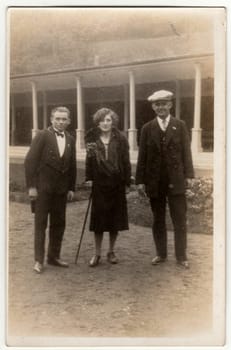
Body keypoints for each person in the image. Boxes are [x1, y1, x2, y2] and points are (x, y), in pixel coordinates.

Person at [136, 90, 194, 268]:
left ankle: (181, 256)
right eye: (157, 104)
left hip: (176, 180)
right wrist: (140, 180)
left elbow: (186, 152)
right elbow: (142, 156)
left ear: (170, 104)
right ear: (153, 107)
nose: (161, 107)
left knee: (179, 219)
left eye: (164, 103)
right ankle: (161, 254)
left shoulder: (180, 125)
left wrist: (189, 176)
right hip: (155, 181)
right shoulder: (147, 128)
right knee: (158, 219)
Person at [24, 106, 76, 273]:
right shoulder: (42, 136)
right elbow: (30, 162)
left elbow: (72, 165)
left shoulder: (70, 138)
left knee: (59, 223)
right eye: (57, 119)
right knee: (41, 224)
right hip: (42, 189)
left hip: (61, 190)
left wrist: (71, 188)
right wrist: (32, 187)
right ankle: (39, 260)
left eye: (64, 119)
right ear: (51, 120)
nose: (61, 122)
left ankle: (54, 257)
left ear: (69, 121)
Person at [85, 107, 131, 267]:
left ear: (113, 122)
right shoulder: (92, 139)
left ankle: (111, 251)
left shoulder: (121, 139)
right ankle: (97, 254)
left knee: (114, 220)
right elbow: (89, 160)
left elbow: (125, 161)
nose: (105, 123)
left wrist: (127, 180)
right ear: (98, 123)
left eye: (108, 120)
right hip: (99, 184)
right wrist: (89, 178)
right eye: (102, 120)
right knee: (98, 221)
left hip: (116, 184)